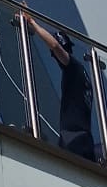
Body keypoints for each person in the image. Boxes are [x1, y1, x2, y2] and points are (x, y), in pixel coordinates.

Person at [25, 14, 96, 162]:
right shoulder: (82, 73)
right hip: (85, 139)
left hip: (74, 138)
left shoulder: (72, 67)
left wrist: (33, 23)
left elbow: (55, 46)